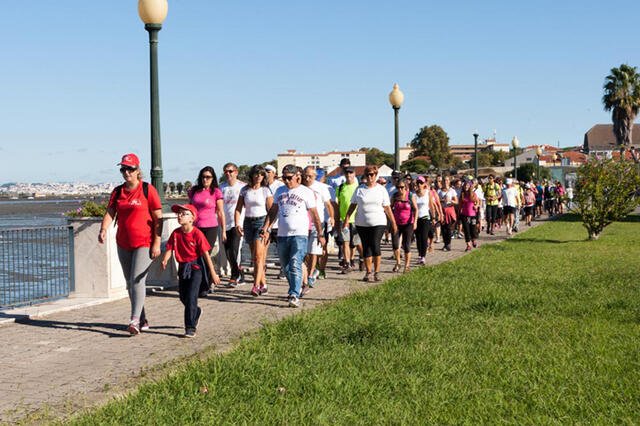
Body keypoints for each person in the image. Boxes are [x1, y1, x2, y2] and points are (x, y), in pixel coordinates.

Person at [98, 153, 162, 335]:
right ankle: (141, 318)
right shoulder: (118, 192)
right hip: (123, 242)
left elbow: (158, 218)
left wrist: (156, 242)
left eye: (130, 169)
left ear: (137, 170)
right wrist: (103, 229)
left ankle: (133, 320)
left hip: (144, 242)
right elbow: (111, 212)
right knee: (130, 283)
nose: (126, 172)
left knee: (137, 279)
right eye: (123, 169)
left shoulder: (148, 190)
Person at [261, 164, 324, 308]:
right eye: (284, 178)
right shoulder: (279, 190)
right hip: (283, 234)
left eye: (289, 178)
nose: (287, 181)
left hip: (300, 234)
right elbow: (273, 211)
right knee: (286, 266)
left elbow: (315, 215)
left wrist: (320, 233)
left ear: (298, 177)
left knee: (295, 263)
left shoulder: (306, 192)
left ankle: (294, 294)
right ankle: (296, 287)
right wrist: (265, 227)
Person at [161, 204, 220, 338]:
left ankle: (190, 327)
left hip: (196, 268)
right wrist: (165, 259)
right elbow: (170, 248)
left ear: (192, 218)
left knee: (192, 296)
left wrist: (213, 273)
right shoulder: (176, 233)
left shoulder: (197, 233)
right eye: (179, 214)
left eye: (184, 214)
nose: (180, 216)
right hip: (182, 268)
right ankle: (196, 312)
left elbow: (206, 255)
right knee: (183, 296)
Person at [344, 165, 397, 282]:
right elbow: (352, 205)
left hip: (378, 222)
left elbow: (387, 208)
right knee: (366, 247)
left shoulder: (381, 190)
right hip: (362, 223)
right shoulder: (359, 189)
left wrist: (393, 222)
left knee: (375, 244)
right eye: (367, 174)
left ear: (376, 175)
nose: (369, 177)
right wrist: (347, 219)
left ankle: (377, 272)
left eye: (372, 174)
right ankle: (368, 272)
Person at [235, 165, 273, 297]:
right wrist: (237, 223)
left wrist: (267, 228)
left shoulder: (265, 191)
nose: (258, 177)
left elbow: (271, 211)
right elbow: (238, 208)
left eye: (261, 175)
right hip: (248, 222)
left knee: (258, 256)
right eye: (256, 174)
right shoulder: (245, 190)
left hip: (261, 223)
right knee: (255, 257)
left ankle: (256, 285)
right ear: (252, 175)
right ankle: (264, 284)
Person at [188, 166, 225, 297]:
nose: (205, 179)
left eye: (208, 177)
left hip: (211, 227)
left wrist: (224, 230)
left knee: (206, 256)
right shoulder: (194, 191)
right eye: (203, 177)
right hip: (196, 227)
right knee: (196, 256)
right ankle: (198, 283)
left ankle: (208, 283)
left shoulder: (215, 192)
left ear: (213, 178)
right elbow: (189, 209)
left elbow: (220, 212)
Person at [302, 166, 334, 287]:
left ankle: (310, 275)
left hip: (318, 222)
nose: (307, 178)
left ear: (315, 176)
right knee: (305, 252)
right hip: (303, 222)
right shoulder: (300, 187)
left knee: (313, 250)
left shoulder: (321, 188)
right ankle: (311, 269)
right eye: (305, 175)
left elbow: (328, 204)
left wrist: (332, 217)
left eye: (310, 176)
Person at [220, 162, 246, 286]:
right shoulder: (221, 187)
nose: (228, 174)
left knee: (235, 250)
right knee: (228, 251)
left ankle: (234, 276)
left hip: (239, 223)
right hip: (225, 224)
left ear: (236, 172)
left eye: (230, 171)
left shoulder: (243, 187)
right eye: (226, 171)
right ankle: (240, 273)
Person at [333, 166, 363, 274]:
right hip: (343, 219)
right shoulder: (340, 188)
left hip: (357, 219)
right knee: (345, 242)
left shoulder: (359, 187)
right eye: (347, 173)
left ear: (354, 174)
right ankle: (347, 263)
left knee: (356, 243)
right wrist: (336, 219)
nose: (349, 175)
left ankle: (362, 258)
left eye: (351, 173)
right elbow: (337, 204)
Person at [390, 180, 417, 273]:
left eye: (402, 187)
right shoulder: (394, 196)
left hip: (408, 223)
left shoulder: (410, 196)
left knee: (406, 245)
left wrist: (415, 222)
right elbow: (390, 207)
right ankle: (398, 263)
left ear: (406, 187)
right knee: (395, 244)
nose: (400, 189)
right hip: (396, 223)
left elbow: (416, 209)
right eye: (398, 187)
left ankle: (407, 265)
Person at [438, 176, 458, 251]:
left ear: (449, 181)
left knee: (448, 228)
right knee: (443, 229)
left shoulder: (452, 190)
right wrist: (441, 200)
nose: (445, 181)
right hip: (442, 210)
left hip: (449, 210)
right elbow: (437, 201)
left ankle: (448, 244)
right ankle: (445, 244)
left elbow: (456, 202)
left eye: (447, 180)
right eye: (444, 180)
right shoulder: (439, 191)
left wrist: (450, 200)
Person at [459, 179, 480, 251]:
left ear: (470, 186)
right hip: (465, 215)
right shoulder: (462, 194)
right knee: (466, 230)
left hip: (473, 215)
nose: (466, 186)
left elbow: (478, 202)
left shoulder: (473, 194)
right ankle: (468, 245)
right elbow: (460, 204)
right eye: (465, 185)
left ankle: (474, 240)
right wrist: (459, 212)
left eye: (467, 185)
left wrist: (476, 206)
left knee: (473, 228)